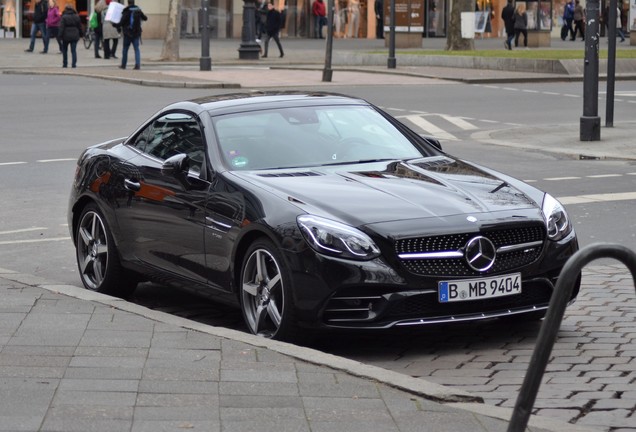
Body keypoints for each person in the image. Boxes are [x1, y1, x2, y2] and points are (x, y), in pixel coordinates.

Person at [118, 0, 147, 70]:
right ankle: (137, 65)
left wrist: (115, 25)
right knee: (136, 49)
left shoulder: (126, 11)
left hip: (127, 34)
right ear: (134, 2)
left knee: (125, 49)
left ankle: (123, 65)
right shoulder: (138, 10)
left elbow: (121, 22)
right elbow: (145, 18)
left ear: (128, 3)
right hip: (136, 33)